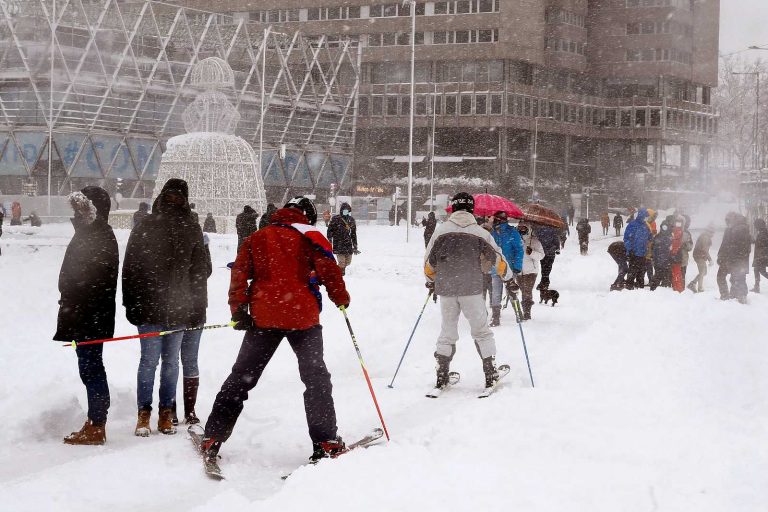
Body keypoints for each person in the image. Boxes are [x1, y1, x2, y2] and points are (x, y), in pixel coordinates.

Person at [200, 196, 350, 464]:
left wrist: (238, 309)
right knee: (316, 379)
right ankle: (326, 440)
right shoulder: (311, 236)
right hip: (303, 318)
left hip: (264, 317)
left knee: (242, 378)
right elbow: (329, 270)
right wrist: (340, 298)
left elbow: (239, 273)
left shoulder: (258, 236)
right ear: (306, 215)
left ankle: (213, 435)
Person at [122, 178, 209, 436]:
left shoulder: (149, 225)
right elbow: (199, 272)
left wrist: (130, 302)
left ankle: (149, 415)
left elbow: (130, 268)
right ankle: (160, 414)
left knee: (152, 361)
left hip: (156, 306)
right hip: (172, 307)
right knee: (166, 362)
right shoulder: (188, 227)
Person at [424, 193, 513, 391]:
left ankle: (441, 375)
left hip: (446, 289)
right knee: (481, 331)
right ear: (471, 209)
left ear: (453, 208)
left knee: (447, 331)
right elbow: (498, 259)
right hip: (471, 288)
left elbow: (429, 262)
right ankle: (490, 374)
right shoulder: (480, 233)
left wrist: (431, 281)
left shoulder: (441, 231)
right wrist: (509, 280)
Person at [54, 187, 119, 445]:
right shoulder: (91, 232)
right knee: (90, 368)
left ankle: (97, 425)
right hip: (86, 314)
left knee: (92, 369)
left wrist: (73, 294)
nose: (76, 213)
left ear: (94, 209)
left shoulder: (98, 234)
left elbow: (96, 278)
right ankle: (95, 421)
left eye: (81, 209)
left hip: (89, 315)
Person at [173, 231, 213, 426]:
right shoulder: (173, 242)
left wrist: (204, 247)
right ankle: (169, 408)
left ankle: (189, 410)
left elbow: (206, 271)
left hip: (195, 310)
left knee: (188, 360)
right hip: (175, 310)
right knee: (172, 361)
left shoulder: (198, 241)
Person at [489, 211, 523, 327]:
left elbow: (519, 250)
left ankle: (518, 312)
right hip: (496, 268)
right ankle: (495, 317)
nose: (493, 220)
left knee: (511, 292)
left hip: (510, 268)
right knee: (495, 293)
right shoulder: (492, 232)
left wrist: (517, 267)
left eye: (495, 218)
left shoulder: (512, 232)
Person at [716, 212, 752, 303]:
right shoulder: (740, 228)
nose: (727, 222)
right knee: (737, 278)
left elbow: (729, 245)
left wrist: (726, 256)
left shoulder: (737, 229)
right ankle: (735, 296)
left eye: (728, 220)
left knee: (735, 277)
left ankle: (732, 297)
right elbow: (726, 244)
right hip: (736, 259)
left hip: (734, 259)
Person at [516, 221, 545, 320]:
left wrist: (531, 252)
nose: (521, 230)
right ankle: (524, 309)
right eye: (519, 228)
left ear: (528, 229)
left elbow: (541, 256)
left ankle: (527, 312)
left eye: (523, 228)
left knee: (527, 291)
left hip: (531, 271)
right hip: (519, 271)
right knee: (523, 290)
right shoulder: (516, 240)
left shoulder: (535, 241)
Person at [624, 208, 652, 289]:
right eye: (646, 216)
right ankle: (629, 287)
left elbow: (649, 236)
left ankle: (640, 287)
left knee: (641, 272)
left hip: (643, 253)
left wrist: (651, 237)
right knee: (632, 272)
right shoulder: (632, 225)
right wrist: (630, 250)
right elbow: (627, 239)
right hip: (634, 253)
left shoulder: (645, 225)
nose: (647, 218)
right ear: (642, 216)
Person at [327, 202, 358, 275]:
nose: (346, 211)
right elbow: (330, 230)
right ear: (341, 210)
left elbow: (353, 233)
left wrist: (355, 244)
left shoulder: (351, 220)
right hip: (338, 243)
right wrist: (330, 238)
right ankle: (340, 273)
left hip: (348, 244)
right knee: (341, 262)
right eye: (344, 210)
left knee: (348, 262)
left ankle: (339, 269)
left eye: (347, 210)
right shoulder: (335, 219)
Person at [534, 224, 562, 291]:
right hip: (550, 252)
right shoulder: (553, 229)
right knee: (548, 268)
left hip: (543, 251)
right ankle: (545, 282)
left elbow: (537, 239)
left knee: (544, 268)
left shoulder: (538, 229)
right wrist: (557, 248)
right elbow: (556, 240)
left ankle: (544, 283)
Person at [687, 225, 714, 293]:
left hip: (699, 255)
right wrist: (710, 259)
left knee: (704, 272)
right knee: (702, 272)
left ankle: (692, 283)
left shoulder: (705, 236)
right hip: (699, 256)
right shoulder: (705, 237)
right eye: (712, 232)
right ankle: (700, 288)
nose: (713, 234)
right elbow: (705, 249)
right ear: (709, 232)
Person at [649, 221, 672, 290]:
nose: (664, 229)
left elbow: (673, 248)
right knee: (658, 276)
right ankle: (653, 290)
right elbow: (652, 248)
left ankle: (664, 291)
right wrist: (653, 257)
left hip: (667, 261)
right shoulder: (657, 237)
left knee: (666, 277)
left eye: (666, 227)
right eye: (663, 227)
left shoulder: (670, 236)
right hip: (658, 261)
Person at [751, 218, 768, 293]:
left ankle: (757, 287)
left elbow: (764, 245)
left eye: (755, 225)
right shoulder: (762, 232)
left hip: (761, 256)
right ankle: (756, 287)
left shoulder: (763, 233)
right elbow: (760, 243)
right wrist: (754, 241)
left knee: (762, 271)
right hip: (760, 255)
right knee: (756, 270)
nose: (755, 227)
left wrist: (762, 255)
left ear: (759, 225)